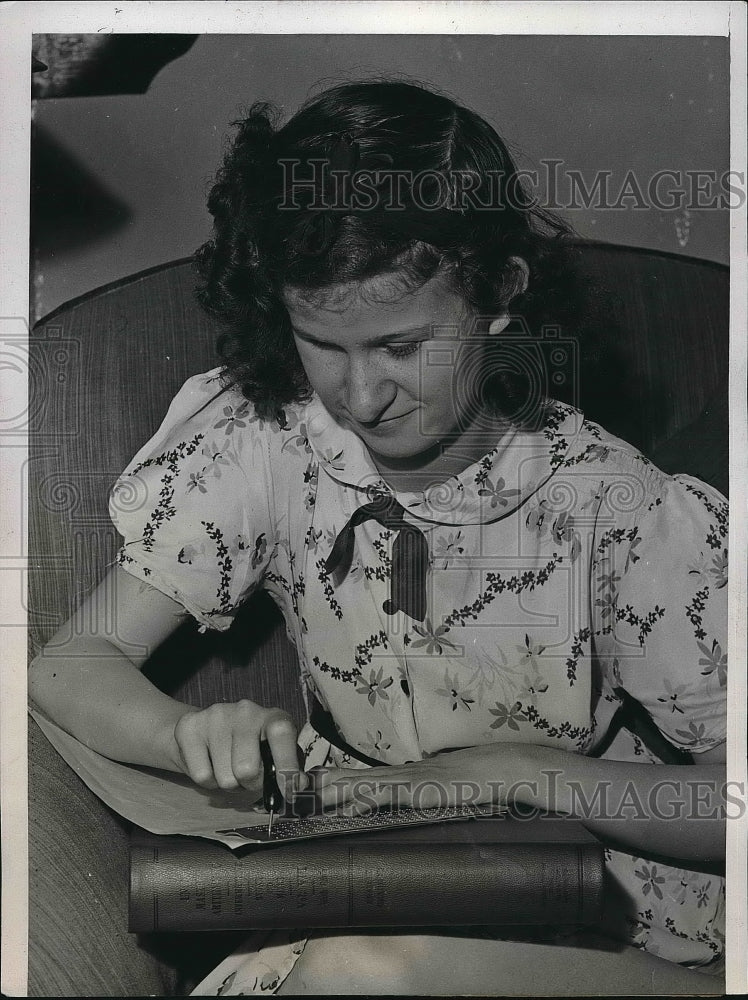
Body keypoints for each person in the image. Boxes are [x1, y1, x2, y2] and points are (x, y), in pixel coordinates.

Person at [28, 80, 728, 995]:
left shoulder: (620, 506)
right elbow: (69, 665)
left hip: (588, 915)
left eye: (401, 345)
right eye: (324, 343)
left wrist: (523, 773)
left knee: (348, 977)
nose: (361, 399)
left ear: (499, 296)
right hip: (364, 872)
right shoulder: (263, 438)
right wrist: (193, 733)